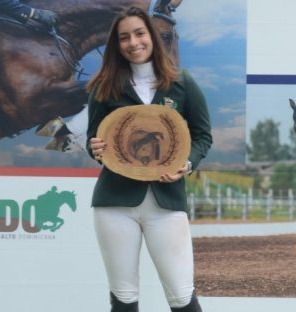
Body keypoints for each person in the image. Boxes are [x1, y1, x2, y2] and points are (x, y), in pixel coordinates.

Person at [86, 7, 211, 312]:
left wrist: (188, 163)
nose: (133, 42)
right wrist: (96, 147)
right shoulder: (104, 87)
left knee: (182, 296)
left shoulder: (182, 82)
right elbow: (94, 141)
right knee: (124, 297)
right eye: (124, 37)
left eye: (139, 33)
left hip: (167, 204)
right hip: (114, 203)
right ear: (117, 45)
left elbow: (202, 136)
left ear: (152, 37)